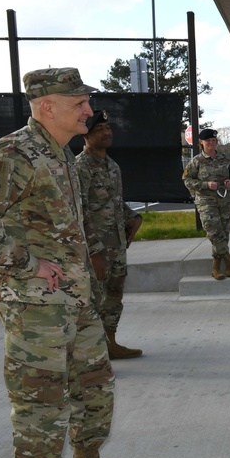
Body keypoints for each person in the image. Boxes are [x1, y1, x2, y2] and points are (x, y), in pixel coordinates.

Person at [0, 68, 142, 458]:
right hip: (34, 302)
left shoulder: (59, 153)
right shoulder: (15, 152)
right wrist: (25, 262)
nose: (89, 111)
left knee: (94, 382)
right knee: (41, 396)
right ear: (46, 106)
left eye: (87, 102)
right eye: (79, 104)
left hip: (74, 295)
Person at [77, 110, 143, 359]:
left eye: (107, 127)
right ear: (86, 135)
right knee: (92, 302)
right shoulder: (80, 167)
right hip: (97, 250)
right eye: (99, 129)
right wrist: (93, 252)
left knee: (114, 298)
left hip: (117, 246)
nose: (106, 132)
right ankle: (90, 355)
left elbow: (115, 202)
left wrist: (134, 217)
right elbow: (78, 211)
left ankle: (110, 343)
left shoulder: (111, 165)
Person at [182, 128, 230, 280]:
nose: (211, 143)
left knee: (224, 232)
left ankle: (217, 264)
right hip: (206, 202)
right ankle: (227, 258)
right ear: (201, 143)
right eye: (208, 141)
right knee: (213, 231)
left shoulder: (226, 159)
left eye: (213, 141)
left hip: (225, 200)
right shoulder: (197, 161)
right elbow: (187, 180)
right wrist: (206, 185)